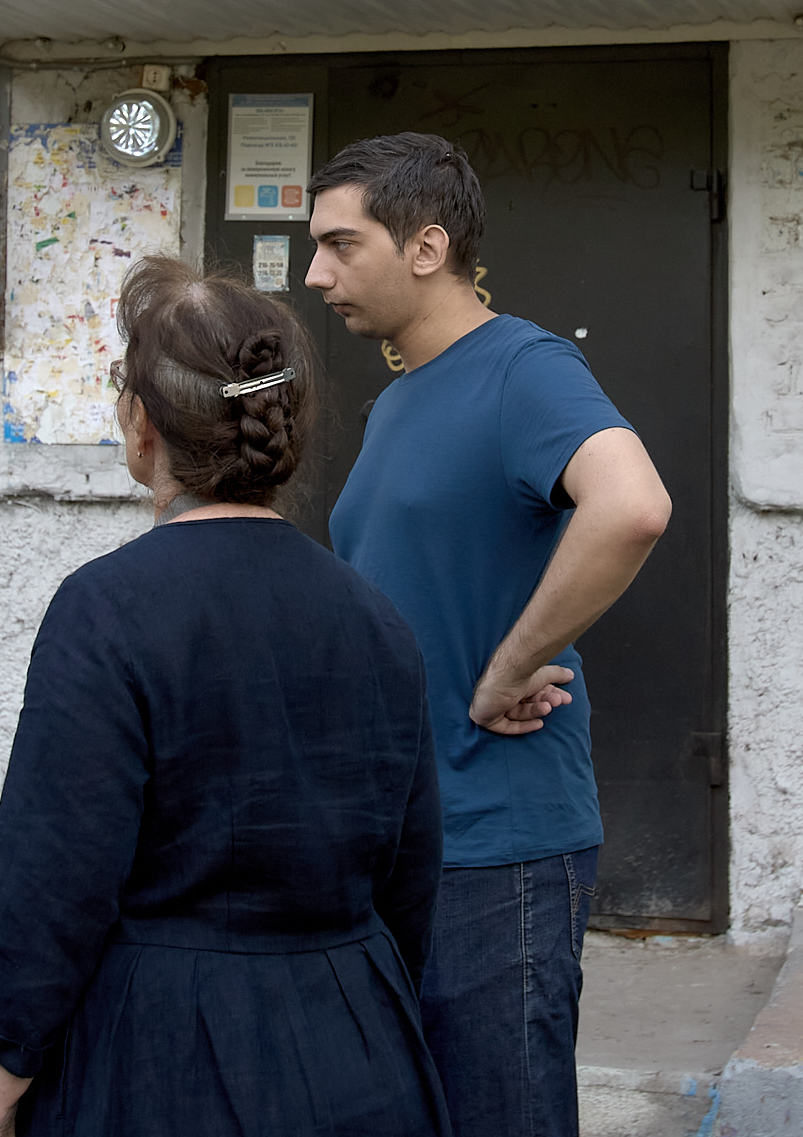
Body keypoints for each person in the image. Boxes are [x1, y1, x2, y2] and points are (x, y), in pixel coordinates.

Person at [0, 255, 449, 1137]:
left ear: (141, 424)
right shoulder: (375, 617)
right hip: (358, 1046)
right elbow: (412, 876)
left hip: (161, 1055)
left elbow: (51, 872)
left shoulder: (106, 609)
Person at [305, 133, 673, 1137]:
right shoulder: (396, 400)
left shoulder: (523, 366)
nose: (315, 272)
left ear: (427, 246)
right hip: (399, 840)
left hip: (495, 842)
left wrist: (506, 665)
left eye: (341, 244)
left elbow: (632, 503)